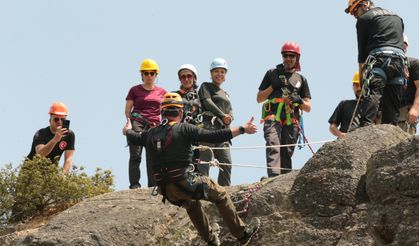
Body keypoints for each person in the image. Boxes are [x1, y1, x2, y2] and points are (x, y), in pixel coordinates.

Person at [122, 93, 260, 246]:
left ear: (162, 113)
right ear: (181, 112)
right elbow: (214, 136)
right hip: (185, 181)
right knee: (220, 194)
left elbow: (133, 136)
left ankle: (211, 240)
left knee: (191, 204)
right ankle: (242, 234)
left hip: (166, 190)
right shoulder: (184, 128)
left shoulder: (150, 134)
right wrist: (241, 129)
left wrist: (127, 130)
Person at [345, 0, 408, 129]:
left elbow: (362, 53)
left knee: (374, 92)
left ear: (364, 4)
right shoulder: (396, 17)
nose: (355, 16)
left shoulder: (364, 19)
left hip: (379, 60)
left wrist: (362, 79)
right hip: (398, 62)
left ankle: (365, 126)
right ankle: (390, 130)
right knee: (392, 100)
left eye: (355, 12)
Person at [257, 42, 311, 177]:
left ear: (297, 58)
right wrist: (273, 87)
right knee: (273, 143)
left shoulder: (301, 79)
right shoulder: (272, 74)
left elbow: (308, 107)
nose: (288, 58)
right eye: (285, 55)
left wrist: (299, 100)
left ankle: (284, 177)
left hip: (291, 117)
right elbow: (259, 98)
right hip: (273, 114)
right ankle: (274, 175)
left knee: (287, 149)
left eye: (291, 56)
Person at [125, 58, 167, 189]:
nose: (149, 76)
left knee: (152, 157)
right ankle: (134, 184)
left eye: (152, 73)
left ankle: (153, 185)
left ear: (156, 75)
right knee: (135, 154)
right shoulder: (134, 90)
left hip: (155, 126)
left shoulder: (162, 92)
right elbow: (127, 111)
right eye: (146, 73)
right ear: (142, 75)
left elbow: (166, 112)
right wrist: (129, 124)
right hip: (137, 121)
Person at [197, 58, 234, 186]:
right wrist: (222, 115)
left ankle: (224, 191)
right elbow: (207, 102)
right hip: (208, 128)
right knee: (205, 161)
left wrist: (229, 117)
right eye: (216, 71)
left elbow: (231, 111)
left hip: (222, 130)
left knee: (226, 162)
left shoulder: (226, 94)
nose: (219, 74)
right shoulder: (205, 86)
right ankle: (203, 189)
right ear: (211, 73)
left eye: (222, 72)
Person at [27, 102, 75, 173]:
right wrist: (55, 139)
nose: (59, 122)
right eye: (56, 119)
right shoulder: (41, 133)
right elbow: (40, 155)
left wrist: (64, 176)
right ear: (50, 120)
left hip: (49, 173)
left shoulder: (69, 135)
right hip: (31, 171)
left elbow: (68, 159)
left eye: (62, 119)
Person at [329, 71, 363, 138]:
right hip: (346, 139)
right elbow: (332, 127)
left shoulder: (372, 106)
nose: (359, 88)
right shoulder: (344, 104)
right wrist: (340, 134)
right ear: (352, 86)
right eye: (356, 85)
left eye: (361, 85)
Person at [399, 35, 419, 134]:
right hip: (385, 112)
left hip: (405, 113)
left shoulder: (413, 63)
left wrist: (415, 108)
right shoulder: (384, 64)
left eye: (404, 44)